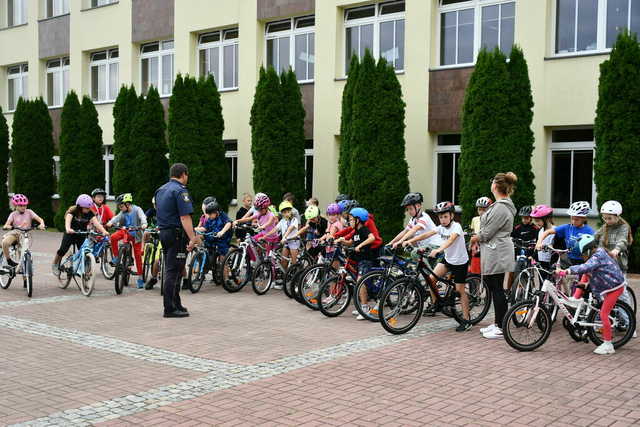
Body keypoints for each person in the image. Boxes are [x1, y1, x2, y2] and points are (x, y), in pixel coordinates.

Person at [403, 201, 471, 332]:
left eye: (445, 216)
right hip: (448, 259)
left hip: (460, 262)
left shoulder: (456, 227)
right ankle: (436, 304)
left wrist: (439, 250)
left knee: (459, 291)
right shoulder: (441, 228)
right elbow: (426, 234)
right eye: (440, 217)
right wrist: (409, 240)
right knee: (431, 279)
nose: (443, 220)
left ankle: (467, 320)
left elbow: (451, 240)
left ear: (451, 216)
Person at [560, 234, 627, 355]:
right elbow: (587, 269)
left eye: (583, 254)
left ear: (589, 250)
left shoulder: (597, 256)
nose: (583, 257)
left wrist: (568, 270)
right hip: (607, 284)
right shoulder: (598, 253)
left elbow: (585, 266)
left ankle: (608, 344)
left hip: (614, 288)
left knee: (603, 314)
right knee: (586, 274)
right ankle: (576, 298)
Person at [469, 172, 518, 340]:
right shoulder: (501, 205)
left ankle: (501, 325)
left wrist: (475, 238)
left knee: (497, 287)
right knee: (493, 285)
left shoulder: (501, 207)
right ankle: (498, 322)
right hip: (495, 250)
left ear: (496, 186)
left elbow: (487, 232)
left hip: (498, 251)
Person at [155, 163, 199, 318]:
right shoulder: (180, 191)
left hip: (164, 233)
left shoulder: (160, 190)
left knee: (176, 268)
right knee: (174, 270)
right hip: (176, 234)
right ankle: (169, 308)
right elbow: (184, 216)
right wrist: (193, 238)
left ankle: (176, 302)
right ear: (184, 174)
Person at [334, 207, 378, 320]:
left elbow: (372, 238)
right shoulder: (356, 231)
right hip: (359, 260)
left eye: (352, 219)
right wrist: (342, 240)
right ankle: (361, 306)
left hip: (366, 260)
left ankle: (365, 308)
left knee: (360, 281)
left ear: (358, 220)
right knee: (358, 281)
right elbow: (350, 242)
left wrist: (361, 245)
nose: (350, 221)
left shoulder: (364, 229)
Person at [52, 194, 109, 275]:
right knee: (63, 249)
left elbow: (97, 224)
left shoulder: (90, 213)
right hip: (71, 233)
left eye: (89, 208)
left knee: (84, 251)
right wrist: (68, 229)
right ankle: (55, 263)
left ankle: (84, 269)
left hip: (82, 234)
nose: (88, 209)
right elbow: (67, 220)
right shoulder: (73, 211)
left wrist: (103, 231)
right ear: (80, 206)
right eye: (86, 208)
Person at [107, 193, 148, 288]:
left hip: (136, 234)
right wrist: (110, 222)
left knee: (138, 256)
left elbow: (143, 217)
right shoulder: (123, 212)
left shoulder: (137, 209)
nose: (120, 208)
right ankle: (117, 257)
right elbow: (116, 217)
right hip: (126, 232)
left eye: (121, 206)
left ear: (128, 204)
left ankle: (140, 277)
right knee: (113, 237)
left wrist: (144, 224)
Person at [535, 201, 594, 267]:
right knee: (557, 272)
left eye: (577, 219)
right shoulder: (567, 227)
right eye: (572, 218)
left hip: (582, 261)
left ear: (584, 218)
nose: (573, 221)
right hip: (568, 259)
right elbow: (547, 232)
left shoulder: (589, 231)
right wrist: (539, 242)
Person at [2, 194, 46, 269]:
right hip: (15, 233)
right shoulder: (13, 214)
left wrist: (42, 224)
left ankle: (26, 278)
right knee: (5, 242)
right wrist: (8, 226)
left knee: (23, 255)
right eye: (21, 205)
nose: (23, 207)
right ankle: (9, 260)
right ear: (15, 205)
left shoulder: (29, 212)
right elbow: (6, 225)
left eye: (25, 205)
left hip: (25, 234)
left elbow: (40, 219)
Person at [195, 200, 232, 279]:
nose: (208, 216)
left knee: (223, 259)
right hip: (212, 236)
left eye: (210, 214)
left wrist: (222, 232)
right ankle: (201, 251)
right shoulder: (210, 218)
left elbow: (229, 223)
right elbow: (205, 228)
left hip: (222, 239)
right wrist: (195, 229)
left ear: (216, 212)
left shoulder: (222, 215)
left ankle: (227, 279)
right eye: (208, 214)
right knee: (197, 237)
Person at [508, 205, 539, 292]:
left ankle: (529, 290)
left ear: (530, 218)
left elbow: (538, 240)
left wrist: (534, 245)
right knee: (513, 272)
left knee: (529, 273)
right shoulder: (517, 228)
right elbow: (511, 237)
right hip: (518, 253)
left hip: (529, 254)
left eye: (526, 218)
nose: (524, 220)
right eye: (523, 218)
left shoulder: (535, 229)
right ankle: (510, 291)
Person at [469, 197, 493, 276]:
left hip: (488, 248)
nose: (481, 212)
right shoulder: (475, 219)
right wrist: (472, 244)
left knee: (487, 273)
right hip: (477, 247)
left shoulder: (492, 220)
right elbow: (473, 232)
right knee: (475, 272)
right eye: (480, 209)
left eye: (484, 210)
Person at [530, 204, 555, 279]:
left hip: (551, 263)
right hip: (541, 262)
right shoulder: (540, 231)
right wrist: (533, 256)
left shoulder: (555, 231)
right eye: (535, 221)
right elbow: (537, 245)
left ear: (546, 219)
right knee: (542, 284)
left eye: (538, 221)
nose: (536, 223)